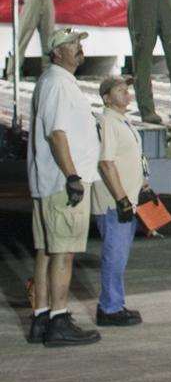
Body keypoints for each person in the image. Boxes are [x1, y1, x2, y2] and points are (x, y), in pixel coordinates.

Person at [27, 27, 102, 346]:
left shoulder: (54, 82)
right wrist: (72, 176)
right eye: (72, 44)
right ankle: (59, 320)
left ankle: (42, 318)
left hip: (50, 182)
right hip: (62, 184)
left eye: (79, 43)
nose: (79, 47)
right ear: (57, 53)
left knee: (47, 251)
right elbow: (57, 133)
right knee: (64, 253)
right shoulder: (58, 84)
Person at [91, 76, 149, 327]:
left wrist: (143, 186)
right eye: (120, 90)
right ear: (106, 97)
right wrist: (122, 199)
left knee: (120, 256)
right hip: (114, 203)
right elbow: (106, 163)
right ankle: (109, 308)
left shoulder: (122, 121)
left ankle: (116, 303)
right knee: (114, 256)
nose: (127, 94)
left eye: (127, 90)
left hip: (126, 200)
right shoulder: (106, 122)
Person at [14, 0, 67, 75]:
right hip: (30, 7)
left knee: (49, 40)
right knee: (22, 38)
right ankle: (13, 71)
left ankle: (48, 70)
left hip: (47, 7)